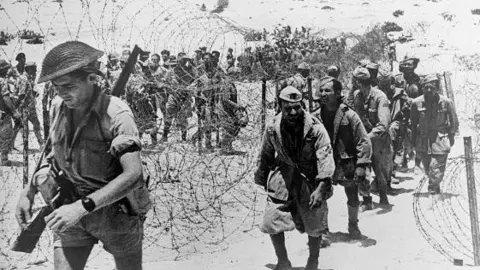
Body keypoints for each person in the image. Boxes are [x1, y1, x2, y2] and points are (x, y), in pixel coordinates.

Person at [15, 41, 151, 269]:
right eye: (56, 87)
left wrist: (82, 207)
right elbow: (51, 153)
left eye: (68, 86)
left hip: (115, 211)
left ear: (91, 79)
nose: (60, 93)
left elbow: (133, 175)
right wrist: (28, 192)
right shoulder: (59, 106)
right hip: (68, 205)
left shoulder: (117, 114)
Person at [254, 86, 334, 270]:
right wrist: (262, 175)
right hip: (282, 177)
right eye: (287, 108)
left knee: (314, 221)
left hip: (310, 178)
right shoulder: (273, 127)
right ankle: (283, 261)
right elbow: (266, 153)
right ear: (280, 105)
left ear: (302, 105)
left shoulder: (315, 128)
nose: (292, 112)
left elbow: (325, 156)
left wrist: (321, 187)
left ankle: (313, 261)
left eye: (297, 107)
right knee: (271, 219)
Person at [311, 76, 371, 241]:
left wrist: (362, 165)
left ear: (337, 93)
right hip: (323, 163)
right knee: (321, 195)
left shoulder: (349, 115)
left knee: (352, 194)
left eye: (327, 90)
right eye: (321, 90)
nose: (323, 94)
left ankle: (353, 226)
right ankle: (323, 231)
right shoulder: (314, 116)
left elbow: (363, 140)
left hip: (346, 164)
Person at [351, 67, 392, 209]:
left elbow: (384, 124)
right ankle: (367, 200)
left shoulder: (380, 97)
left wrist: (367, 137)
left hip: (379, 139)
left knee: (380, 170)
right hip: (364, 139)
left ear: (358, 82)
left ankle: (383, 197)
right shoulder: (357, 95)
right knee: (362, 168)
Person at [410, 74, 458, 194]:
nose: (429, 90)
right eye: (426, 88)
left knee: (436, 168)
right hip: (423, 140)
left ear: (437, 87)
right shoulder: (416, 103)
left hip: (440, 139)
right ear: (423, 88)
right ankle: (435, 187)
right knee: (428, 168)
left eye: (432, 87)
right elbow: (413, 124)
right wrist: (413, 141)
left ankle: (432, 190)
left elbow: (454, 121)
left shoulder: (446, 102)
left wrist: (451, 136)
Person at [377, 67, 412, 176]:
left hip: (395, 123)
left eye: (386, 83)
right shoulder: (375, 92)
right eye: (382, 84)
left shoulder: (399, 93)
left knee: (393, 135)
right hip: (378, 123)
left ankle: (391, 171)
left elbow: (408, 107)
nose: (385, 86)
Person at [10, 61, 45, 150]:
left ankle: (41, 143)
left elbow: (26, 91)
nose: (36, 71)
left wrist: (33, 93)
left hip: (29, 107)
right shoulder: (24, 79)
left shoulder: (28, 78)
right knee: (22, 128)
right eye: (34, 69)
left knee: (35, 125)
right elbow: (21, 95)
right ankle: (12, 146)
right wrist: (15, 109)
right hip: (24, 108)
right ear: (29, 69)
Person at [0, 59, 21, 165]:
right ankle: (4, 159)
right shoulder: (2, 81)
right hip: (2, 112)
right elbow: (6, 98)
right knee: (5, 135)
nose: (7, 71)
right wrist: (14, 112)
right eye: (6, 69)